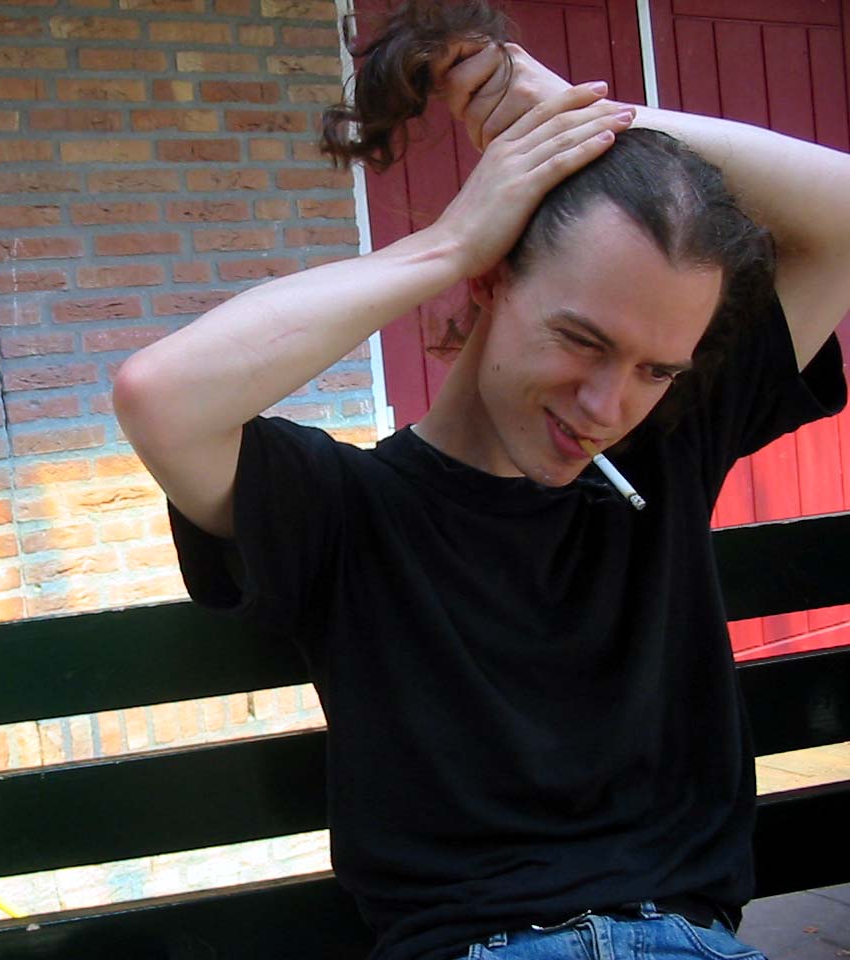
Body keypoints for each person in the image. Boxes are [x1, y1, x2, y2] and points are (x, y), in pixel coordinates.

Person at [112, 2, 850, 957]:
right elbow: (160, 396)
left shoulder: (668, 447)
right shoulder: (345, 509)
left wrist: (596, 120)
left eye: (655, 369)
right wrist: (450, 241)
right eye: (580, 339)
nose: (606, 404)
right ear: (492, 283)